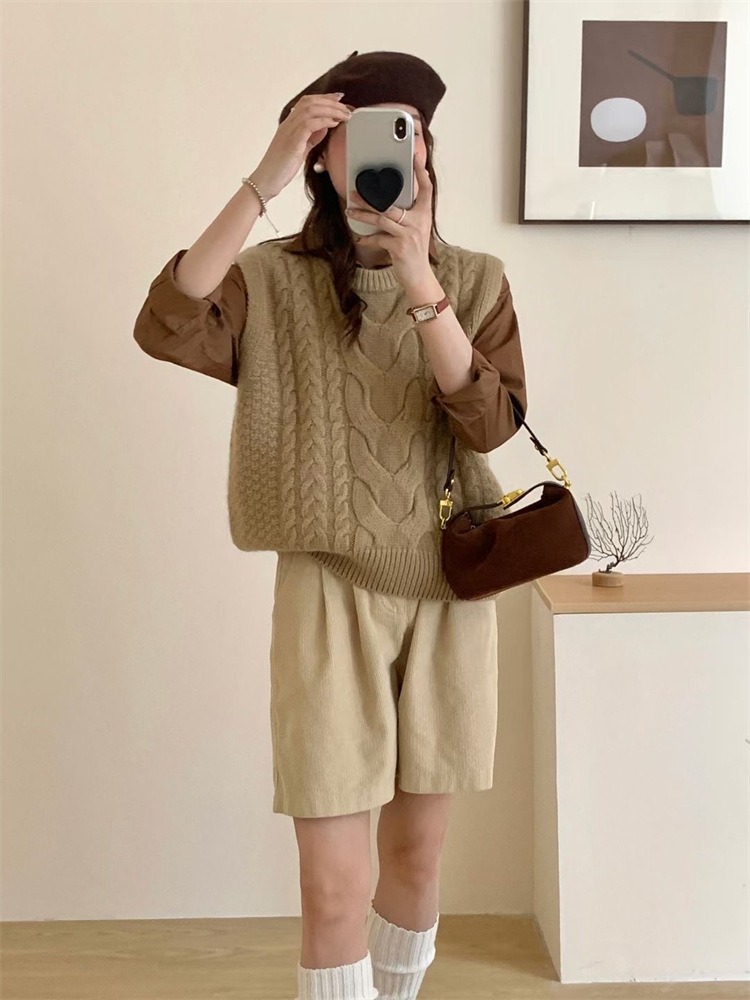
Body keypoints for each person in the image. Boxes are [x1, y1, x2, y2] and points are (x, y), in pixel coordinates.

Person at [133, 50, 527, 1000]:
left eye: (408, 131)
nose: (392, 150)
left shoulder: (474, 280)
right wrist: (260, 181)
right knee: (331, 886)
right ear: (320, 153)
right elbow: (167, 322)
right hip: (327, 590)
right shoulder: (269, 280)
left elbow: (490, 425)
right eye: (356, 133)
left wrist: (421, 278)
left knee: (418, 859)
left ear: (426, 150)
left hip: (449, 591)